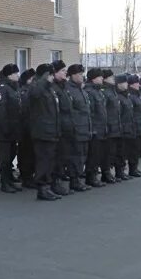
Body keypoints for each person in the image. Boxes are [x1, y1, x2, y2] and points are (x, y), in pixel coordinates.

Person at [28, 64, 61, 201]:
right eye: (51, 75)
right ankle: (42, 189)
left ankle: (47, 187)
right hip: (42, 132)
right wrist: (43, 79)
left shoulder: (49, 89)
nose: (53, 78)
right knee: (43, 161)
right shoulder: (36, 86)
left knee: (49, 160)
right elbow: (34, 95)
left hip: (51, 131)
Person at [0, 64, 23, 193]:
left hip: (13, 129)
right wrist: (5, 128)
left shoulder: (13, 88)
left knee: (11, 155)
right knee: (4, 158)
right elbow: (1, 111)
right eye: (16, 73)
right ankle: (5, 182)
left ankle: (9, 180)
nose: (18, 75)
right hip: (5, 130)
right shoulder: (2, 88)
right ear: (9, 75)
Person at [63, 64, 92, 192]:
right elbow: (70, 111)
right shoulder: (68, 89)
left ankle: (78, 179)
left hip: (85, 127)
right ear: (73, 75)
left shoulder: (81, 89)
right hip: (76, 129)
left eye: (82, 74)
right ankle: (74, 181)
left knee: (82, 155)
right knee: (75, 156)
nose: (82, 76)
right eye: (79, 74)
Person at [51, 60, 73, 195]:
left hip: (66, 126)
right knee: (57, 157)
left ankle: (59, 179)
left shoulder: (64, 87)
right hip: (58, 127)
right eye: (63, 71)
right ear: (55, 73)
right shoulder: (53, 88)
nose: (66, 73)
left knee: (63, 155)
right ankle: (55, 183)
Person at [83, 68, 107, 188]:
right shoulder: (90, 92)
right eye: (100, 76)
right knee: (93, 154)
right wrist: (92, 129)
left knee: (97, 154)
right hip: (94, 129)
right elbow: (90, 113)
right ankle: (90, 177)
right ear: (93, 78)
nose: (102, 78)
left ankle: (93, 175)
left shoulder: (98, 91)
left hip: (101, 128)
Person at [17, 68, 37, 189]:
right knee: (26, 154)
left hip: (32, 128)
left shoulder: (30, 91)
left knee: (31, 154)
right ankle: (26, 177)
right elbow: (25, 112)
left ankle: (29, 176)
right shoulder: (24, 92)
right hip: (26, 129)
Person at [102, 70, 122, 183]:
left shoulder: (112, 90)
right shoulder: (105, 91)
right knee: (107, 152)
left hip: (115, 125)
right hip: (109, 126)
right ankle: (106, 172)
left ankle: (111, 172)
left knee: (114, 151)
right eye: (111, 77)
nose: (113, 78)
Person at [115, 74, 134, 180]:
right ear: (119, 84)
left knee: (125, 151)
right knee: (120, 151)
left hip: (128, 127)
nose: (127, 84)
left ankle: (123, 170)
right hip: (122, 128)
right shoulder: (119, 97)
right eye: (124, 82)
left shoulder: (126, 96)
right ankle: (119, 171)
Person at [128, 74, 141, 177]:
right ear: (131, 84)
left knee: (138, 149)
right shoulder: (131, 96)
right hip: (135, 126)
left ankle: (135, 167)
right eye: (136, 83)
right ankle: (132, 169)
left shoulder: (138, 95)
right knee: (134, 150)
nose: (138, 84)